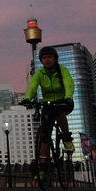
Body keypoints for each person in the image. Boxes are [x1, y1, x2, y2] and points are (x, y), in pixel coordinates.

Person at [22, 46, 75, 176]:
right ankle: (43, 166)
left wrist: (68, 97)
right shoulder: (40, 73)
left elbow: (68, 83)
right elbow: (33, 85)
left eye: (50, 57)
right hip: (48, 104)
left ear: (55, 58)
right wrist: (27, 98)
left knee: (60, 112)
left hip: (64, 101)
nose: (47, 60)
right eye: (44, 58)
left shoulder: (62, 70)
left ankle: (67, 139)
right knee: (44, 135)